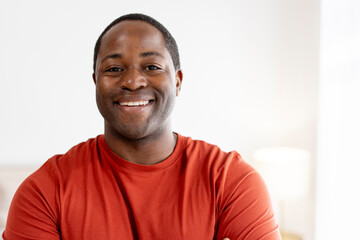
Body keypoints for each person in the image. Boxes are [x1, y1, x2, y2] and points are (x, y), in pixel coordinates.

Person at [2, 13, 281, 240]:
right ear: (96, 82)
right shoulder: (44, 192)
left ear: (178, 81)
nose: (133, 81)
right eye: (113, 69)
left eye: (152, 67)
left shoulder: (231, 180)